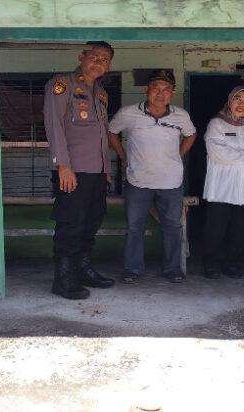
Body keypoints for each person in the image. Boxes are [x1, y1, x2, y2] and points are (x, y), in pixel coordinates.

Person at [108, 70, 197, 284]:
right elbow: (111, 132)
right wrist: (123, 156)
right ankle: (132, 269)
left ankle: (173, 269)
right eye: (156, 88)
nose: (160, 93)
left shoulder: (180, 115)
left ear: (172, 93)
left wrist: (178, 154)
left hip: (171, 181)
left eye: (166, 90)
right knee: (134, 227)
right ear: (146, 90)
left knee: (172, 226)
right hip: (138, 181)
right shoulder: (129, 113)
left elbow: (191, 135)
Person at [43, 41, 116, 300]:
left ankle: (83, 270)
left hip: (97, 172)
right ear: (81, 57)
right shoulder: (62, 85)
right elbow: (54, 125)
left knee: (91, 222)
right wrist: (62, 165)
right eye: (94, 57)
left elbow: (101, 136)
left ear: (109, 66)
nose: (99, 63)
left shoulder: (101, 94)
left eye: (104, 60)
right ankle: (63, 280)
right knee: (71, 225)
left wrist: (107, 171)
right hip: (72, 170)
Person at [202, 86, 244, 279]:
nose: (241, 103)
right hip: (220, 188)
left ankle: (231, 263)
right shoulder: (217, 124)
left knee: (240, 230)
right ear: (229, 101)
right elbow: (216, 152)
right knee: (216, 229)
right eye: (237, 98)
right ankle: (210, 263)